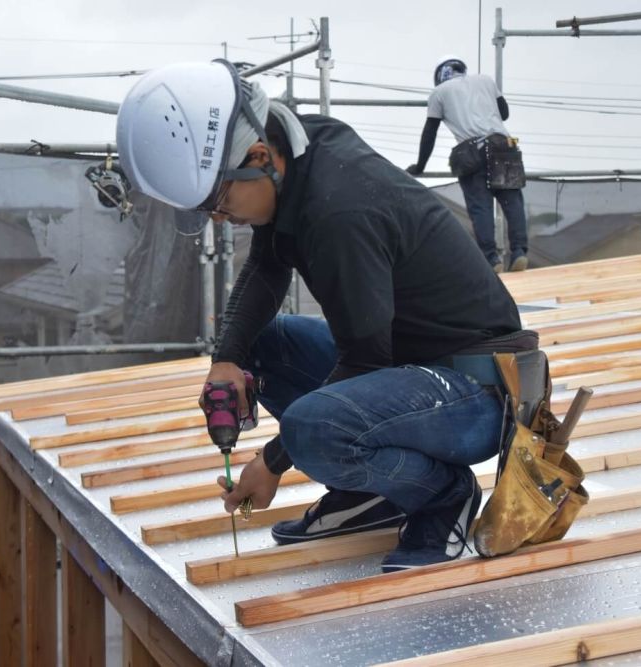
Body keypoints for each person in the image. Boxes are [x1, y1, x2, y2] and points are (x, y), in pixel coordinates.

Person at [116, 60, 533, 572]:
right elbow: (268, 263)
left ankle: (444, 493)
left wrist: (270, 462)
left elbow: (364, 359)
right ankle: (374, 494)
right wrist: (226, 360)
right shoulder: (300, 154)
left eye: (219, 200)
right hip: (412, 370)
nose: (219, 218)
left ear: (259, 156)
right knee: (263, 346)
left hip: (475, 392)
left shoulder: (340, 211)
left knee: (313, 427)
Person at [406, 56, 529, 273]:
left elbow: (430, 133)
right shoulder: (485, 80)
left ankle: (492, 259)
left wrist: (420, 165)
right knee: (512, 201)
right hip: (503, 143)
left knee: (480, 206)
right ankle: (519, 252)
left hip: (471, 151)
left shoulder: (439, 93)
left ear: (440, 77)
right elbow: (504, 114)